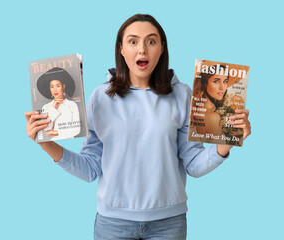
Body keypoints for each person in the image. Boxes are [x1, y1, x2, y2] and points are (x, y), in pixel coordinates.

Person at [25, 14, 251, 240]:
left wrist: (224, 145)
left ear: (162, 48)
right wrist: (46, 144)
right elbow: (89, 169)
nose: (142, 49)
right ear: (121, 48)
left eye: (151, 41)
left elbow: (193, 164)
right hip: (112, 224)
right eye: (133, 41)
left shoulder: (182, 95)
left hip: (169, 224)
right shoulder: (99, 98)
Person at [36, 67, 80, 141]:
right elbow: (46, 129)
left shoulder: (72, 105)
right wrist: (53, 108)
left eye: (58, 86)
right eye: (52, 87)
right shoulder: (46, 107)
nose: (55, 90)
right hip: (54, 143)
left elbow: (77, 130)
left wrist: (57, 132)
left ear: (63, 86)